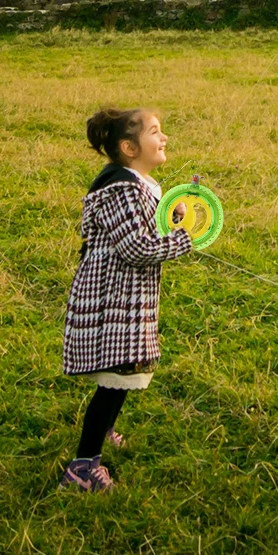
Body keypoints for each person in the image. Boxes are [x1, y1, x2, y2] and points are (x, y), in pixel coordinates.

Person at [61, 108, 192, 493]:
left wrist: (173, 216)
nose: (164, 137)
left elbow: (145, 227)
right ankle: (82, 467)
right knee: (115, 378)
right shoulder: (120, 189)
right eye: (155, 132)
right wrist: (185, 239)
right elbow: (135, 247)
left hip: (129, 296)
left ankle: (103, 431)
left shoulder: (139, 182)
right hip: (112, 299)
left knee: (126, 371)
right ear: (128, 147)